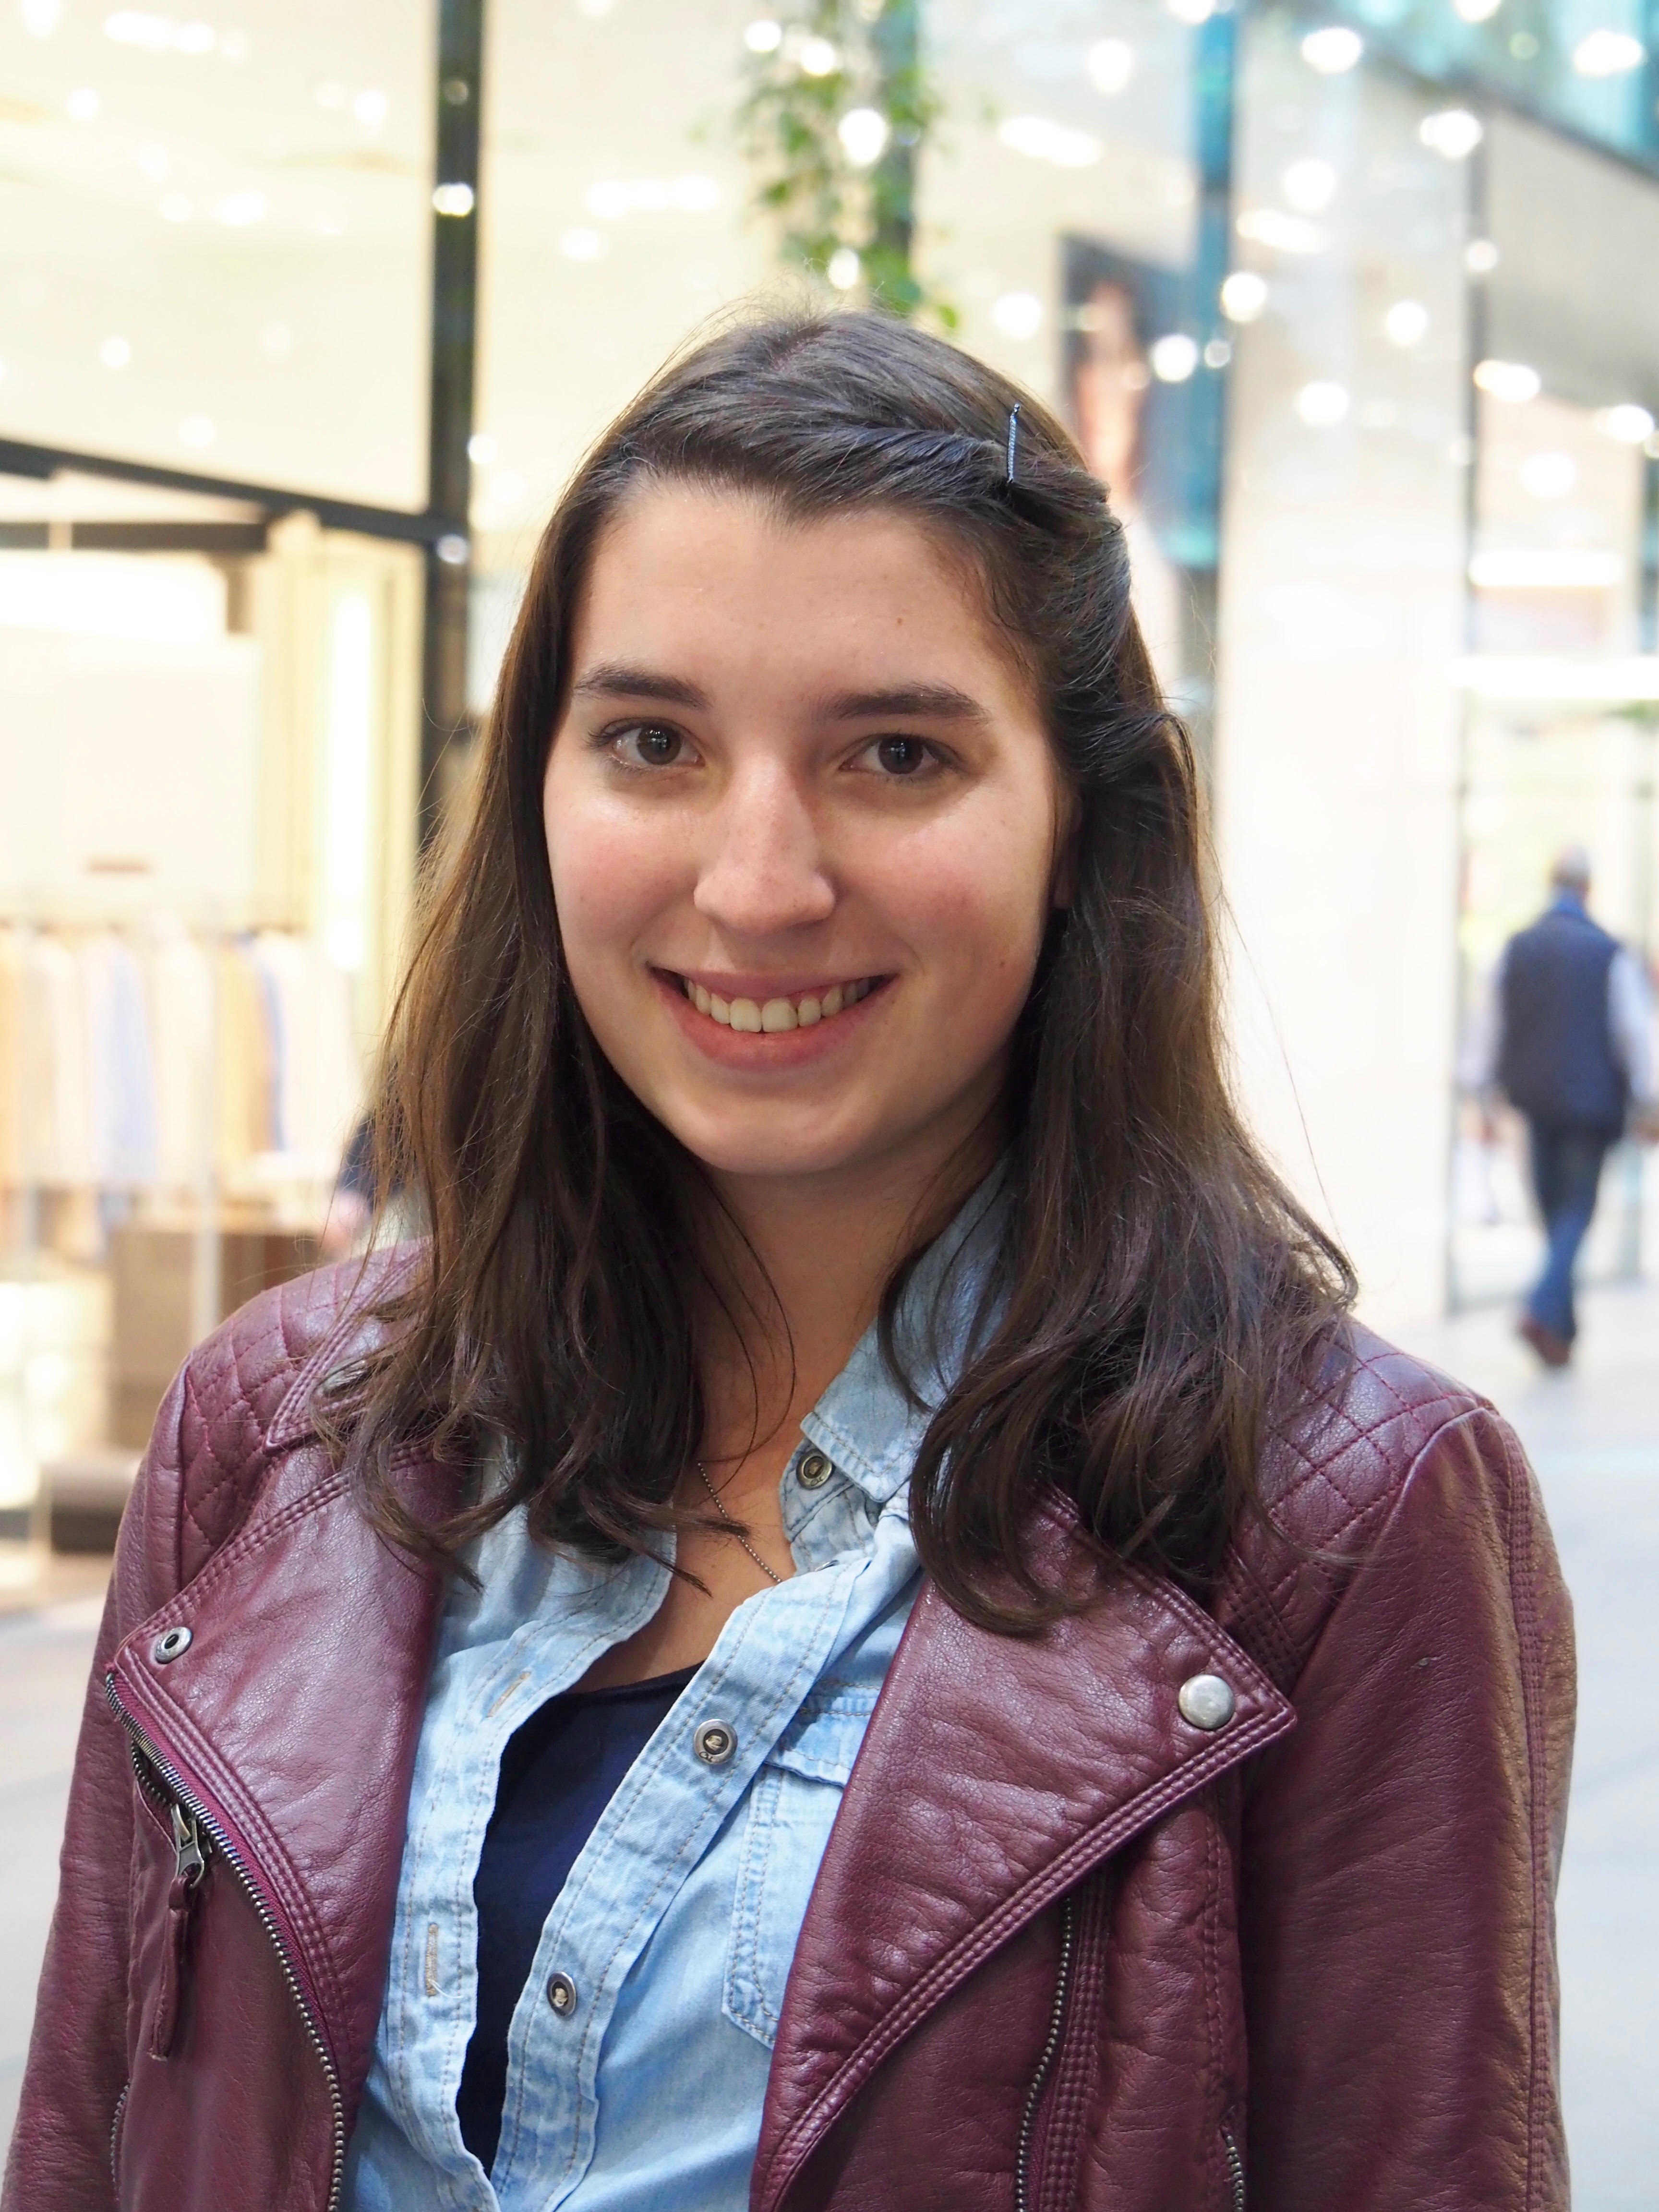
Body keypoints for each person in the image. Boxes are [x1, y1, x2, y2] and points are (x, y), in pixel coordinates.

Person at [5, 312, 1572, 2212]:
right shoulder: (278, 1425)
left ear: (1082, 826)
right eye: (652, 742)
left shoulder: (1335, 1518)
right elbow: (86, 2136)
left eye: (895, 754)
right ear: (538, 789)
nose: (756, 881)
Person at [1470, 845, 1657, 1367]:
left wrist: (1480, 1089)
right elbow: (1635, 1033)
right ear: (1588, 889)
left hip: (1535, 1101)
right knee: (1573, 1212)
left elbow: (1488, 1024)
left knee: (1557, 1213)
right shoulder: (1609, 953)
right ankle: (1544, 1308)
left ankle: (1560, 1334)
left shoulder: (1517, 948)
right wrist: (1649, 1098)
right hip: (1593, 1110)